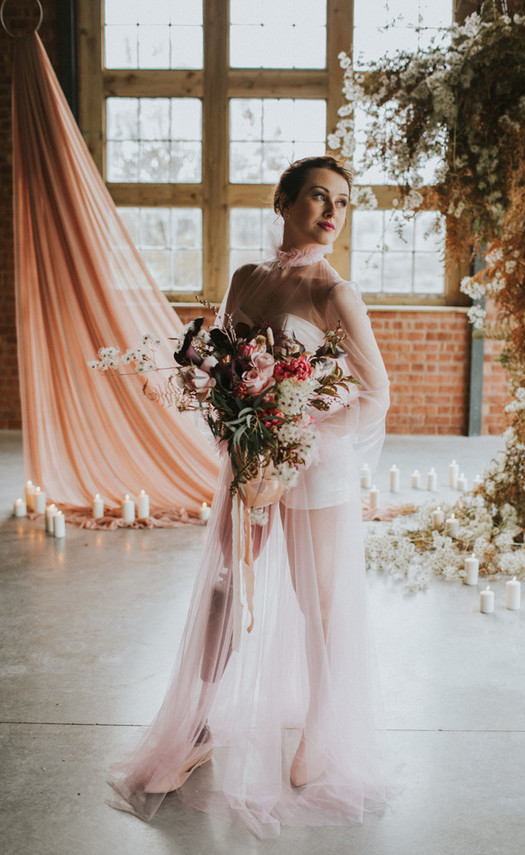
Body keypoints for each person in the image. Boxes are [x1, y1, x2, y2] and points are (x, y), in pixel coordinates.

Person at [107, 155, 392, 839]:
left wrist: (302, 436)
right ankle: (195, 725)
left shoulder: (335, 294)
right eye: (319, 197)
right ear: (285, 201)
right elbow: (226, 367)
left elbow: (377, 393)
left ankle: (323, 727)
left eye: (343, 203)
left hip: (311, 467)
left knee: (312, 598)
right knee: (225, 590)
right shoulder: (246, 279)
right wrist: (232, 415)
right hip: (251, 461)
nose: (332, 213)